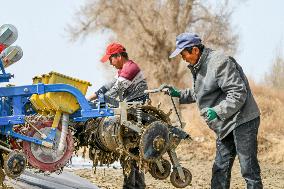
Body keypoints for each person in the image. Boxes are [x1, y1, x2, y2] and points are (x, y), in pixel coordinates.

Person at [164, 33, 263, 189]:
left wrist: (217, 111)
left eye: (183, 54)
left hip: (243, 120)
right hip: (225, 123)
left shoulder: (219, 62)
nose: (182, 58)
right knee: (220, 168)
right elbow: (202, 92)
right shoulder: (199, 66)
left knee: (248, 169)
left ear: (195, 50)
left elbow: (238, 93)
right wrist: (178, 94)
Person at [88, 42, 147, 189]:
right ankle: (137, 185)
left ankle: (132, 186)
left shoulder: (130, 69)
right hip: (129, 109)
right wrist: (90, 98)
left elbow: (115, 91)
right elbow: (109, 85)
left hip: (135, 111)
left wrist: (97, 103)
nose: (110, 63)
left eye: (111, 59)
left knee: (129, 149)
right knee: (131, 151)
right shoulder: (123, 70)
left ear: (119, 56)